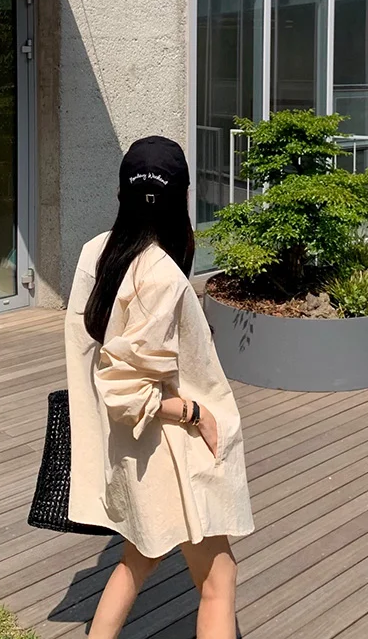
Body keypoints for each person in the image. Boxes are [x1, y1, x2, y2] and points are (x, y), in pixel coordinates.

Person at [65, 135, 255, 639]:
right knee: (219, 580)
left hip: (133, 449)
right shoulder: (161, 273)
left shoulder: (96, 254)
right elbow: (126, 384)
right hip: (174, 449)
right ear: (183, 198)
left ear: (121, 193)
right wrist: (194, 413)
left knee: (139, 557)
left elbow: (97, 360)